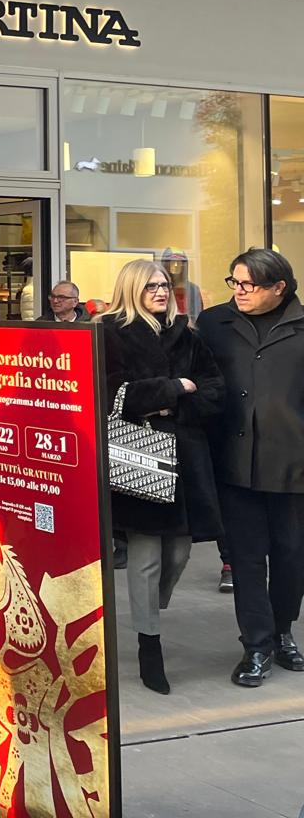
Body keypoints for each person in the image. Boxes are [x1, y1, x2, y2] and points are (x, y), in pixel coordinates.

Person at [98, 258, 224, 694]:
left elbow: (215, 389)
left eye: (164, 285)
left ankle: (151, 608)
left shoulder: (186, 334)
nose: (160, 291)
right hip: (140, 456)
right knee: (147, 556)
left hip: (187, 457)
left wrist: (177, 404)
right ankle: (148, 642)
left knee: (179, 554)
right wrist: (174, 388)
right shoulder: (109, 333)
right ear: (132, 288)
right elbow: (111, 392)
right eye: (151, 285)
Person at [200, 248, 304, 687]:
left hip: (294, 466)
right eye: (234, 281)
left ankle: (282, 632)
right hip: (234, 464)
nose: (239, 291)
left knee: (291, 557)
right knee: (245, 560)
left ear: (278, 287)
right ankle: (256, 645)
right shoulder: (214, 324)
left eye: (248, 284)